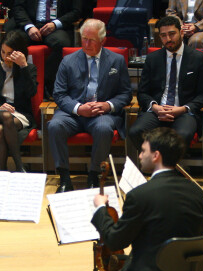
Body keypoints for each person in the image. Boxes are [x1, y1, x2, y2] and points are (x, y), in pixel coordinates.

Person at [92, 127, 203, 271]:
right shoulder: (196, 191)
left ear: (156, 156)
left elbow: (115, 240)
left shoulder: (140, 195)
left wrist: (101, 209)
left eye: (144, 151)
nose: (139, 156)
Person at [48, 19, 132, 193]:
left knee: (103, 129)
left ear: (103, 40)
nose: (86, 44)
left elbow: (126, 94)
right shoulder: (68, 61)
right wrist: (79, 108)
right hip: (73, 113)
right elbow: (59, 94)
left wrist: (108, 105)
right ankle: (64, 178)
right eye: (83, 39)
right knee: (55, 125)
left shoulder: (116, 61)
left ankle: (94, 176)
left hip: (102, 114)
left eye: (91, 40)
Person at [129, 16, 203, 151]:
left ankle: (167, 168)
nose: (168, 39)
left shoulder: (197, 58)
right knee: (136, 131)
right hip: (157, 111)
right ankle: (158, 165)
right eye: (163, 35)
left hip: (183, 111)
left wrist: (183, 109)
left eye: (172, 34)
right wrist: (155, 107)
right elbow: (142, 93)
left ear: (181, 33)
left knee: (183, 134)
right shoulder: (152, 59)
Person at [8, 0, 82, 98]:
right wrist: (29, 27)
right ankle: (13, 87)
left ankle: (47, 83)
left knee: (62, 44)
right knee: (11, 44)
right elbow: (18, 8)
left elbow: (77, 11)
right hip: (30, 25)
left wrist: (55, 24)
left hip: (56, 27)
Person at [0, 31, 37, 172]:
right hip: (1, 111)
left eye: (9, 53)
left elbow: (31, 93)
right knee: (5, 115)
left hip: (20, 113)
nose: (5, 57)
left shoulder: (28, 69)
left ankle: (2, 172)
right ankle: (19, 166)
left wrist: (23, 67)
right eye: (3, 52)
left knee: (1, 129)